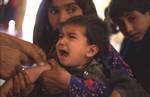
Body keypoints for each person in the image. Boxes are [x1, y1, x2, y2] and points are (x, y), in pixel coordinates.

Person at [0, 0, 149, 97]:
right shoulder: (47, 54)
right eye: (54, 11)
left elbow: (132, 89)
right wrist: (27, 91)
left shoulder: (105, 52)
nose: (63, 19)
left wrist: (71, 84)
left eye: (71, 9)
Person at [107, 0, 150, 93]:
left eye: (132, 18)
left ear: (148, 12)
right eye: (120, 24)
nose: (128, 29)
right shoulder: (128, 42)